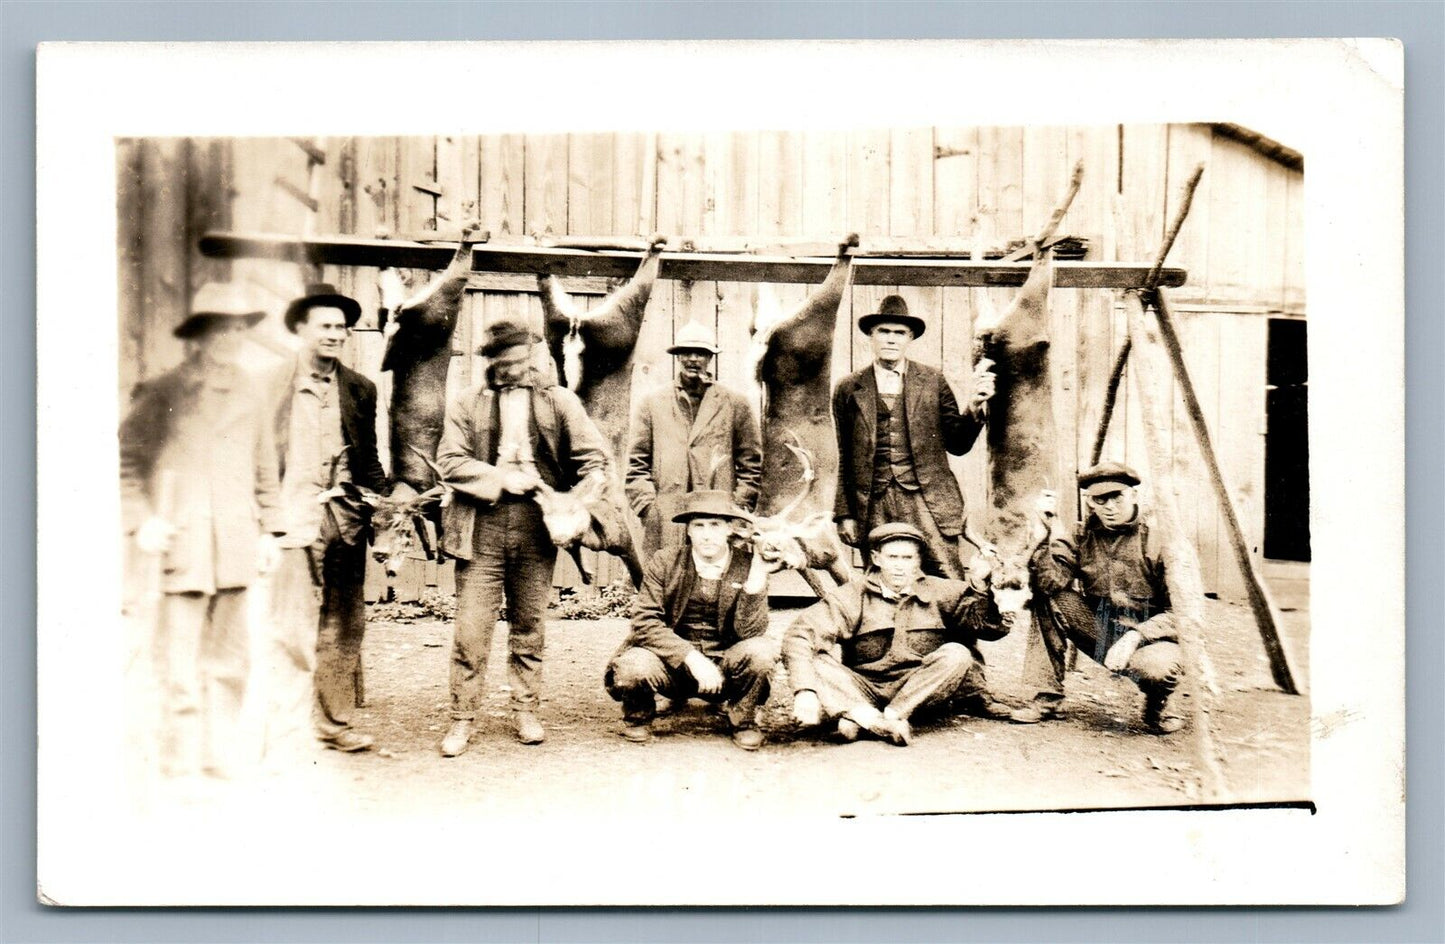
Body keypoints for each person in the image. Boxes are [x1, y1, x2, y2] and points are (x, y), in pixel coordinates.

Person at [119, 282, 282, 779]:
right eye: (221, 329)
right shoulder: (165, 390)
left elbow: (264, 467)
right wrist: (142, 521)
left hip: (234, 542)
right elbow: (124, 462)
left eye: (239, 329)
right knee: (179, 662)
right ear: (200, 337)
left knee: (231, 660)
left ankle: (219, 753)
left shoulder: (253, 393)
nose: (231, 338)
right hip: (182, 543)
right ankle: (179, 759)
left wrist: (271, 531)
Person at [434, 318, 613, 756]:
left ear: (531, 357)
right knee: (471, 629)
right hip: (481, 525)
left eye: (517, 361)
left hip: (538, 528)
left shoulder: (560, 402)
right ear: (489, 362)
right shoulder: (466, 403)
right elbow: (449, 460)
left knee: (529, 624)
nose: (510, 370)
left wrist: (577, 499)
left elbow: (595, 459)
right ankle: (461, 719)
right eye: (501, 363)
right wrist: (499, 479)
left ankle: (525, 709)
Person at [264, 283, 389, 757]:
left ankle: (334, 723)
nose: (335, 335)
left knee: (344, 623)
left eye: (342, 327)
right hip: (288, 526)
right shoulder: (269, 385)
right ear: (300, 330)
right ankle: (285, 726)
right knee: (289, 626)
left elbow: (370, 460)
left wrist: (385, 506)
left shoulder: (360, 389)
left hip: (344, 523)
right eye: (325, 326)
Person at [783, 523, 1006, 746]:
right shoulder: (853, 595)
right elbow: (800, 635)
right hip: (862, 689)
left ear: (919, 561)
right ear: (876, 559)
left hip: (918, 693)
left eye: (907, 558)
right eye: (892, 557)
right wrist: (805, 691)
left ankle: (869, 718)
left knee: (957, 653)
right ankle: (878, 722)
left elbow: (990, 630)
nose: (899, 566)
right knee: (815, 660)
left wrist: (979, 585)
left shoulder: (943, 591)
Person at [1009, 462, 1186, 734]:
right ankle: (1046, 696)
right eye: (1099, 500)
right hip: (1101, 631)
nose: (1109, 507)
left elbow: (1183, 615)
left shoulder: (1160, 542)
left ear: (1134, 496)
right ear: (1090, 503)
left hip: (1151, 640)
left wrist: (1136, 636)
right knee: (1049, 599)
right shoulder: (1082, 535)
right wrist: (1046, 534)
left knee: (1157, 669)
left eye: (1117, 497)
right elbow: (1050, 584)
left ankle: (1158, 703)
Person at [604, 491, 785, 751]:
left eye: (715, 525)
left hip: (726, 667)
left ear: (729, 530)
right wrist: (692, 658)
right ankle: (638, 717)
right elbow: (644, 622)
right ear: (688, 531)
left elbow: (750, 632)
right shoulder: (665, 562)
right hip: (674, 667)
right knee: (633, 664)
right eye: (699, 525)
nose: (707, 534)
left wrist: (756, 575)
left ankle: (744, 721)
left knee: (761, 651)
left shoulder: (747, 564)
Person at [832, 294, 996, 579]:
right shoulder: (848, 388)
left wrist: (974, 406)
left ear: (910, 339)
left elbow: (958, 444)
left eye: (899, 333)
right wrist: (843, 513)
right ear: (871, 336)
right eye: (883, 331)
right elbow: (841, 455)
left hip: (927, 498)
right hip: (873, 503)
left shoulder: (932, 381)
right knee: (882, 579)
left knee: (946, 576)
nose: (891, 339)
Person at [625, 321, 763, 556]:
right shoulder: (652, 403)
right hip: (668, 518)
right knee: (667, 581)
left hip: (717, 519)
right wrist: (650, 508)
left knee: (715, 580)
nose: (692, 359)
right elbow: (636, 465)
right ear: (677, 356)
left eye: (700, 353)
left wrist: (737, 507)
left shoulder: (735, 403)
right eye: (686, 352)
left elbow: (752, 464)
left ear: (710, 358)